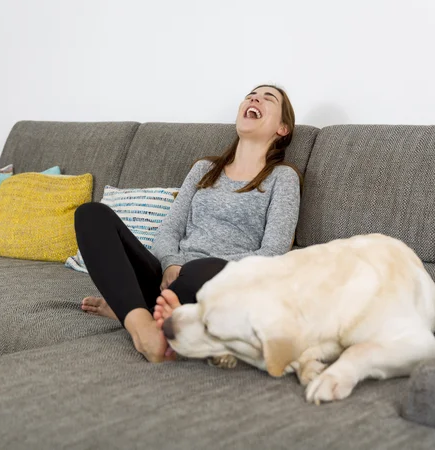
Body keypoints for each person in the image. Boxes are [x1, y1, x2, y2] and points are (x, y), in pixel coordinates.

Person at [74, 84, 301, 363]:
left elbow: (274, 252)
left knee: (199, 269)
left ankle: (130, 306)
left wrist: (194, 268)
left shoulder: (282, 177)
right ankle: (143, 326)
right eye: (251, 95)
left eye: (268, 98)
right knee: (91, 214)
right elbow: (170, 229)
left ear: (283, 128)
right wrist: (170, 264)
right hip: (169, 276)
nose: (255, 98)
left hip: (219, 279)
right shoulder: (205, 169)